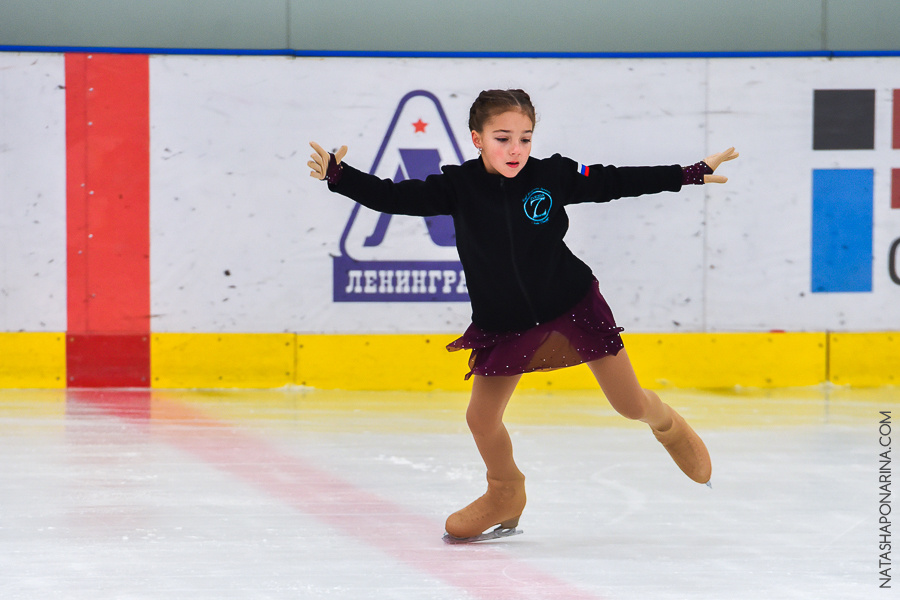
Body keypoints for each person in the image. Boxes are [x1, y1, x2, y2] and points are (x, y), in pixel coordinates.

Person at [309, 89, 738, 543]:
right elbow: (393, 196)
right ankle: (505, 490)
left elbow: (614, 180)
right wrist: (340, 175)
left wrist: (686, 174)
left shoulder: (553, 175)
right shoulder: (458, 186)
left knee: (629, 404)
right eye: (502, 138)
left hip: (571, 305)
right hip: (504, 321)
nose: (516, 149)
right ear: (477, 139)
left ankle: (667, 424)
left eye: (525, 138)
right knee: (480, 419)